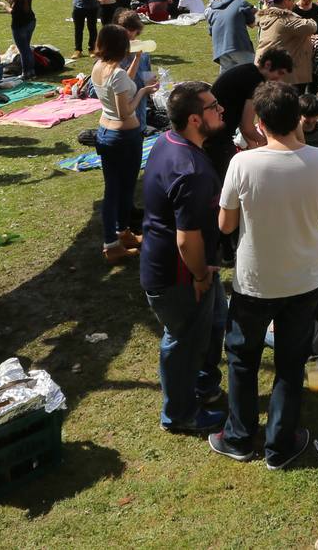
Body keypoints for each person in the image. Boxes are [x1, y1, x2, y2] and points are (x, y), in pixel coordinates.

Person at [214, 82, 318, 470]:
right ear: (299, 119)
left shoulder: (242, 163)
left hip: (256, 279)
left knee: (243, 358)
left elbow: (225, 225)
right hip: (304, 279)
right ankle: (280, 443)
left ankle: (240, 438)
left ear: (258, 122)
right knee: (290, 363)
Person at [141, 82, 230, 434]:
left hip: (192, 265)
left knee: (215, 322)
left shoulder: (168, 141)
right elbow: (186, 239)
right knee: (182, 341)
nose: (221, 110)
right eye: (214, 107)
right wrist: (199, 276)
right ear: (195, 119)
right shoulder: (190, 170)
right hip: (180, 274)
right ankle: (179, 414)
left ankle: (204, 385)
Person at [92, 24, 157, 264]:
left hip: (107, 132)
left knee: (122, 188)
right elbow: (124, 111)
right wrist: (143, 92)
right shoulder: (115, 73)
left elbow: (120, 84)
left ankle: (122, 232)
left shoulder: (100, 67)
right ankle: (111, 243)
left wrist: (136, 61)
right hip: (122, 137)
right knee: (117, 190)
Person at [255, 0, 318, 94]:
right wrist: (312, 20)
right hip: (280, 72)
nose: (293, 4)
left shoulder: (266, 16)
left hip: (263, 66)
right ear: (285, 0)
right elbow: (311, 27)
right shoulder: (286, 18)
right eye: (292, 0)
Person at [208, 0, 257, 71]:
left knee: (227, 81)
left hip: (220, 49)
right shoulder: (240, 2)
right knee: (252, 75)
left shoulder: (212, 8)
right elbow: (252, 24)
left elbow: (210, 32)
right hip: (239, 46)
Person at [7, 0, 37, 79]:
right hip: (30, 22)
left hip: (19, 26)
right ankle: (31, 71)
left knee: (23, 51)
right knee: (26, 48)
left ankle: (26, 73)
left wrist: (4, 6)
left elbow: (13, 11)